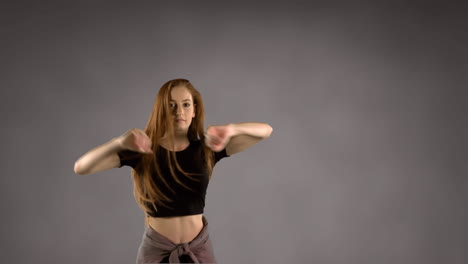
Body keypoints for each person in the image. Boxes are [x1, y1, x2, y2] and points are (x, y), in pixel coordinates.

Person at [73, 78, 273, 263]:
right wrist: (118, 142)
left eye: (186, 104)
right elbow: (81, 167)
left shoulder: (207, 147)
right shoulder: (143, 149)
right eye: (171, 105)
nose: (179, 112)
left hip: (199, 249)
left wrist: (232, 129)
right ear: (162, 109)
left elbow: (266, 131)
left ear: (194, 110)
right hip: (157, 251)